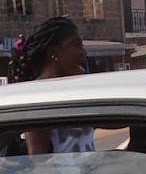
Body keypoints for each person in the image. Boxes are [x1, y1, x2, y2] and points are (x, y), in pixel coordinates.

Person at [9, 16, 90, 154]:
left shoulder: (75, 92)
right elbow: (39, 161)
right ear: (53, 52)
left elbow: (113, 121)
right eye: (76, 45)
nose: (84, 52)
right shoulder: (39, 98)